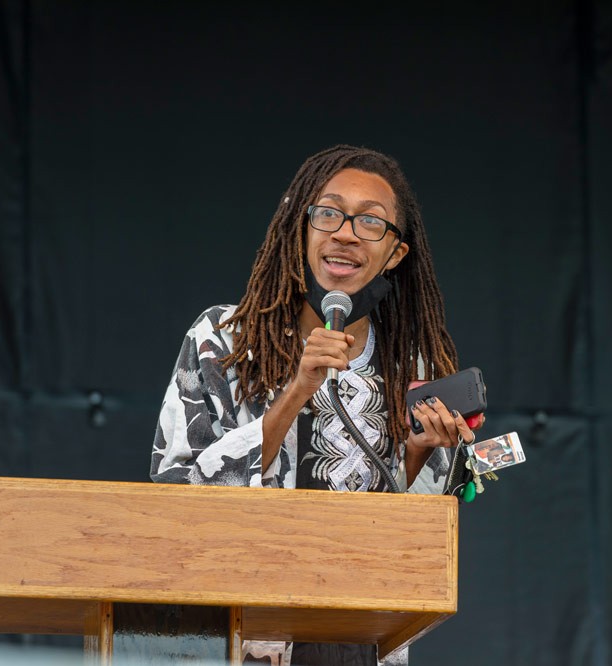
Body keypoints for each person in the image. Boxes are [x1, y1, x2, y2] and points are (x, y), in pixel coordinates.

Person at [151, 144, 482, 665]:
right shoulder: (224, 339)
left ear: (395, 254)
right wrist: (295, 392)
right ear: (300, 227)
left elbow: (413, 553)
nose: (345, 232)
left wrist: (417, 453)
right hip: (243, 642)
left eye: (370, 223)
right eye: (328, 213)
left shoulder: (411, 369)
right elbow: (174, 494)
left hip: (361, 646)